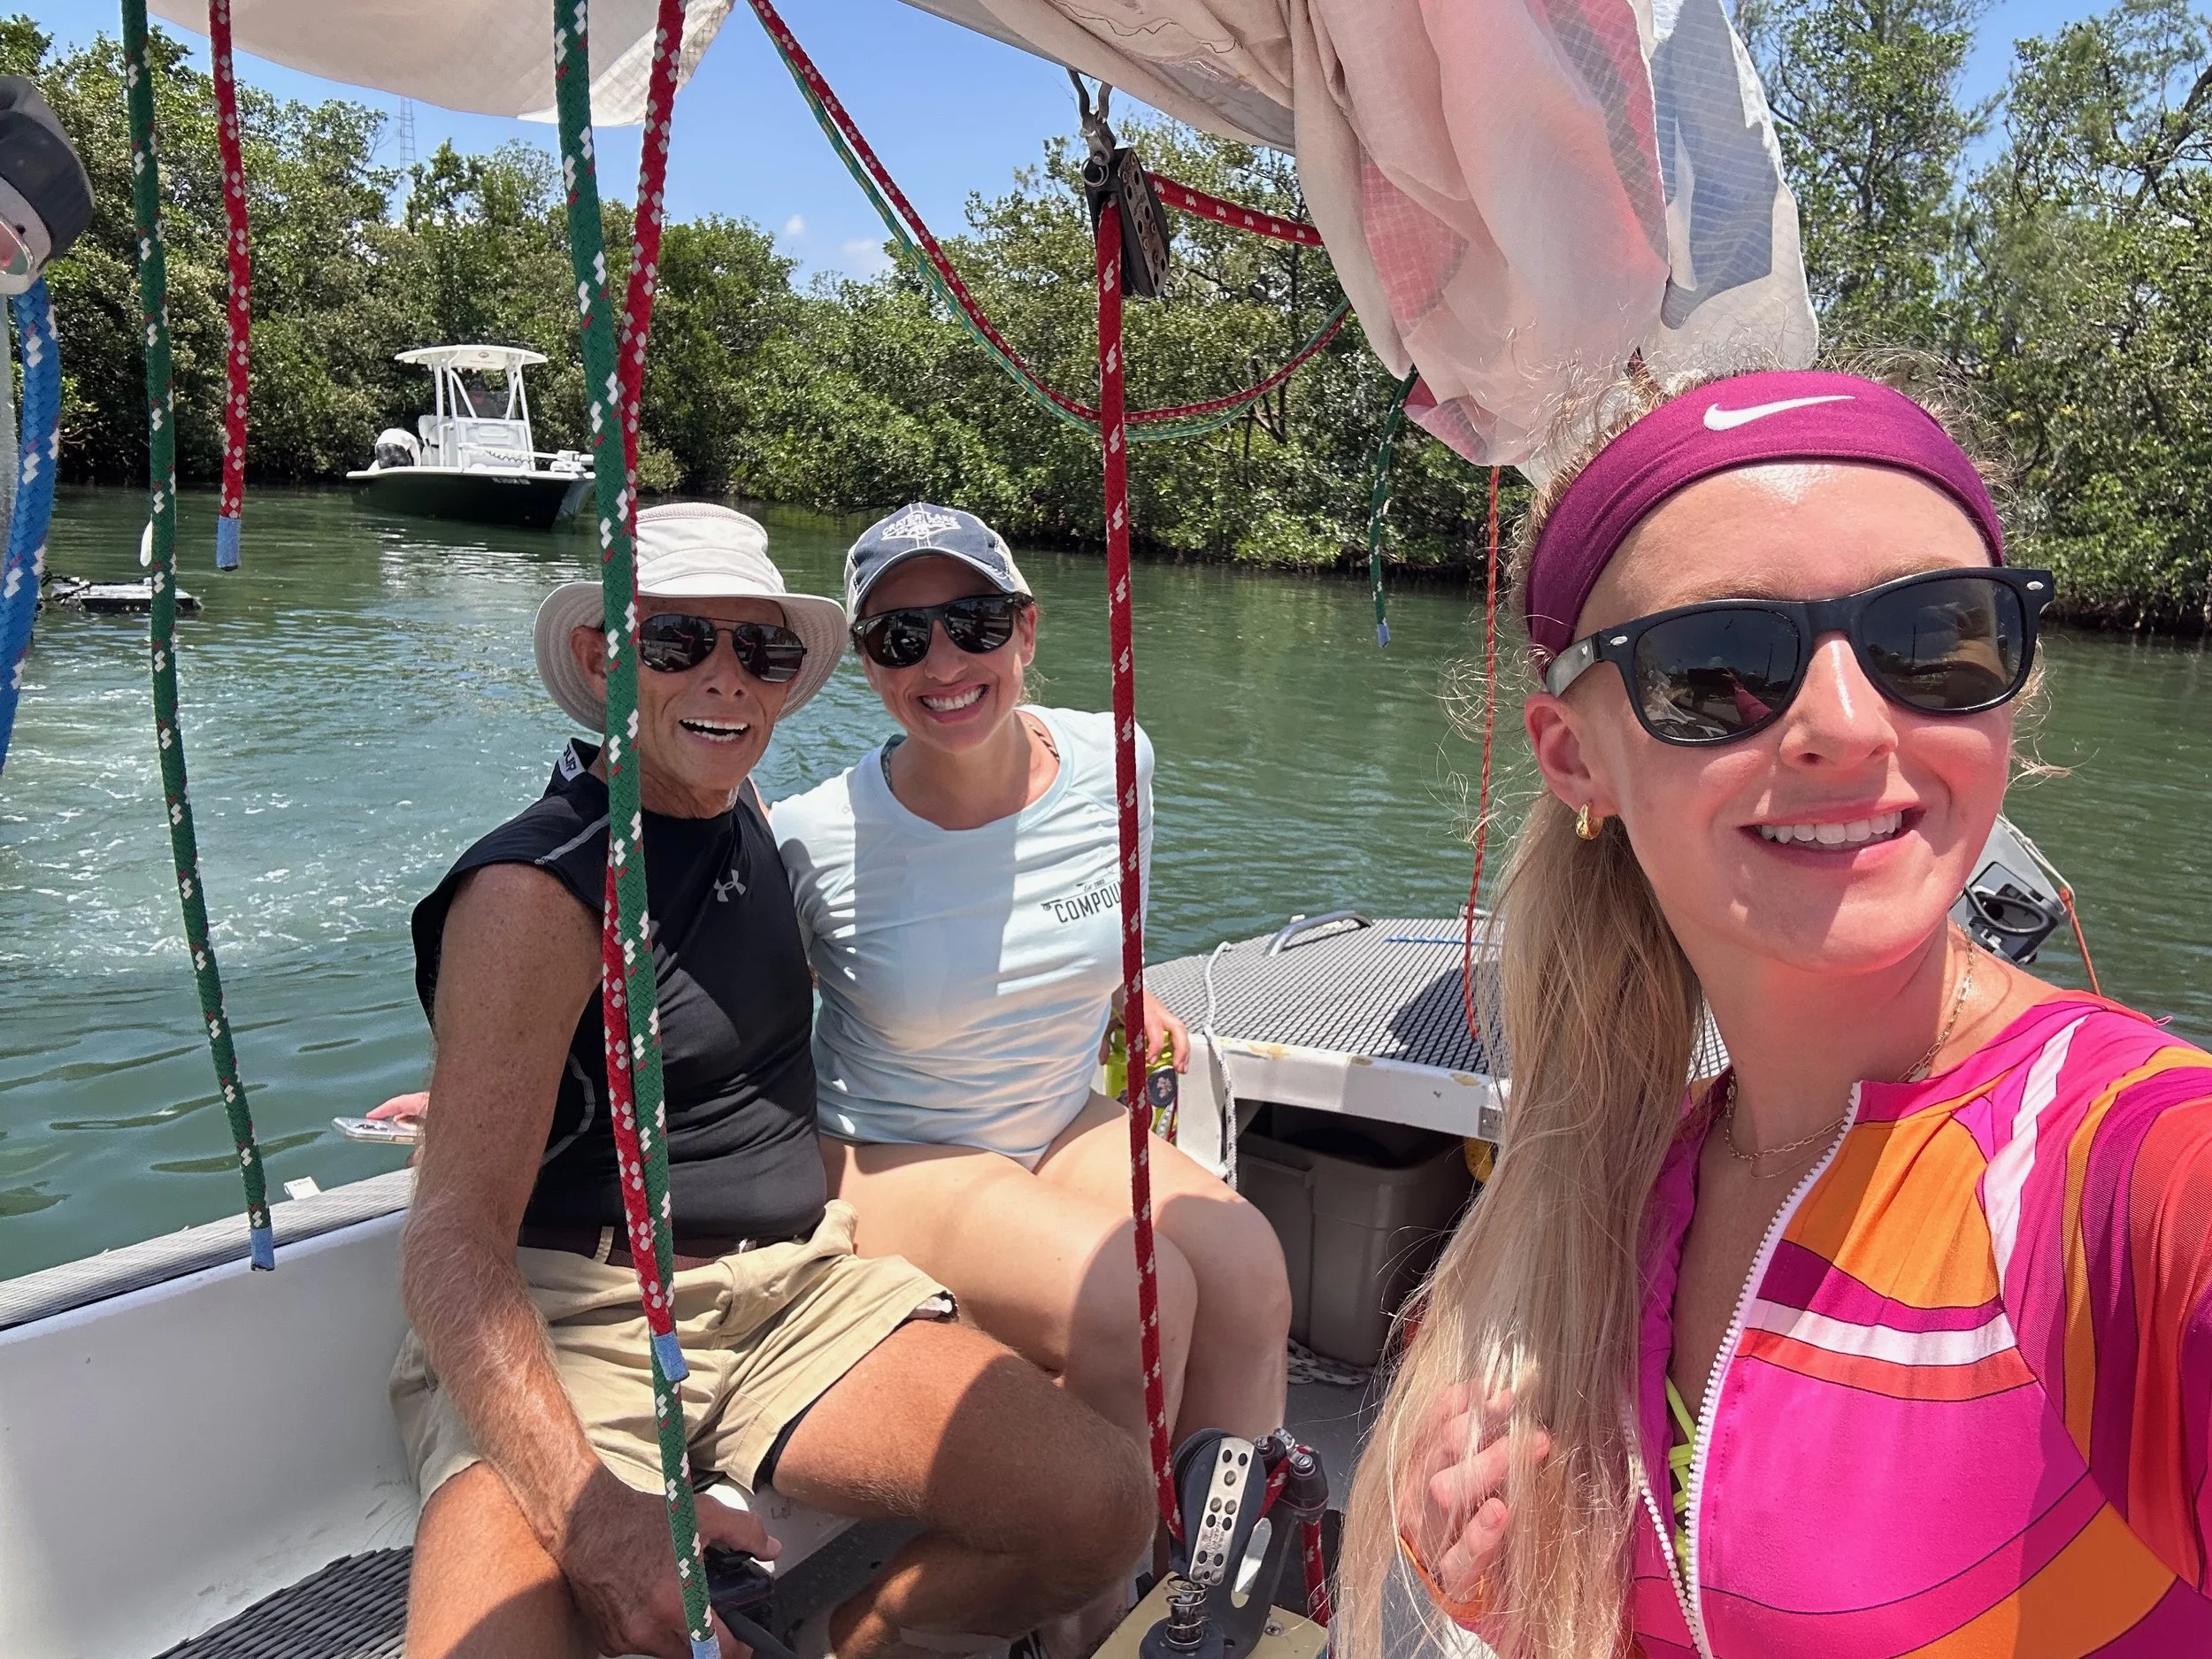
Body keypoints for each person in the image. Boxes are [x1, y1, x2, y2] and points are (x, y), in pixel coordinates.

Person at [1335, 368, 2212, 1658]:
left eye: (1936, 637)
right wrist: (1527, 1602)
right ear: (1575, 755)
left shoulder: (2112, 1173)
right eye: (1719, 664)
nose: (1847, 726)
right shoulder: (1629, 1193)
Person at [392, 502, 1151, 1659]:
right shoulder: (532, 891)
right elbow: (451, 1250)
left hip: (795, 1286)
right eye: (679, 641)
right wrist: (598, 1523)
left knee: (1100, 1505)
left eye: (762, 648)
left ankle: (851, 1636)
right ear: (606, 659)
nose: (727, 679)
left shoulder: (739, 807)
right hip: (579, 1313)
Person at [769, 503, 1293, 1463]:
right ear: (867, 663)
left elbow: (1101, 925)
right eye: (900, 637)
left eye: (974, 623)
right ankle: (1090, 1598)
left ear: (1026, 627)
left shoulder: (1115, 759)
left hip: (1053, 1116)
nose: (943, 664)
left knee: (1248, 1264)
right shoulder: (812, 834)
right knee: (1138, 1294)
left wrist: (1128, 996)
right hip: (892, 1151)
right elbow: (718, 1000)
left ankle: (1215, 1561)